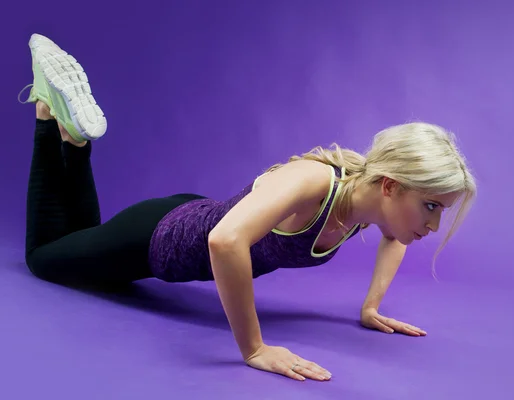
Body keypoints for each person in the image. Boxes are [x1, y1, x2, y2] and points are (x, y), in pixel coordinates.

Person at [18, 33, 477, 382]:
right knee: (44, 257)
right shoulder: (315, 183)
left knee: (81, 237)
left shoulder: (369, 203)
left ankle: (73, 138)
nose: (433, 226)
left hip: (189, 218)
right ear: (392, 186)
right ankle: (44, 109)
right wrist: (254, 349)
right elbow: (224, 239)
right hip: (158, 240)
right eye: (431, 207)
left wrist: (370, 307)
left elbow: (397, 236)